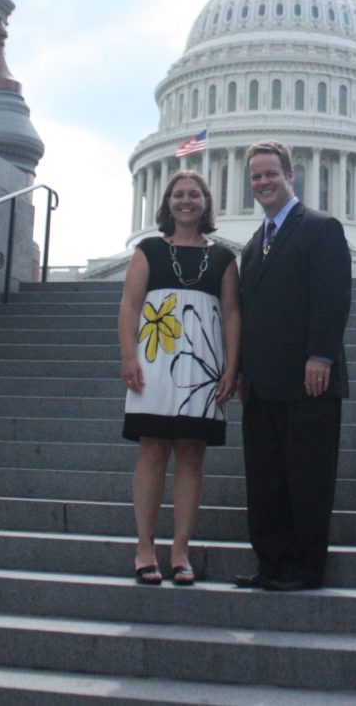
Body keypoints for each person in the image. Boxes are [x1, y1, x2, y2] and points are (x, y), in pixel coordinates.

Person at [235, 140, 352, 591]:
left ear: (291, 175)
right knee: (265, 480)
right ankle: (271, 564)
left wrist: (321, 354)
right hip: (263, 384)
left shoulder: (320, 228)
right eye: (256, 177)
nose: (263, 183)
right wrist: (243, 370)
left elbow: (332, 297)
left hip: (309, 380)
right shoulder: (253, 244)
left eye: (270, 174)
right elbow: (250, 311)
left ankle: (304, 568)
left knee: (307, 478)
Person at [119, 170, 241, 586]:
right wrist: (128, 357)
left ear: (206, 202)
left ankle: (181, 550)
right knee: (152, 451)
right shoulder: (149, 250)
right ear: (167, 202)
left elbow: (231, 314)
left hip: (203, 367)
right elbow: (130, 305)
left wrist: (232, 367)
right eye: (178, 195)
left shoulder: (223, 257)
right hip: (154, 359)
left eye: (194, 195)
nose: (186, 201)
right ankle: (145, 546)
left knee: (192, 454)